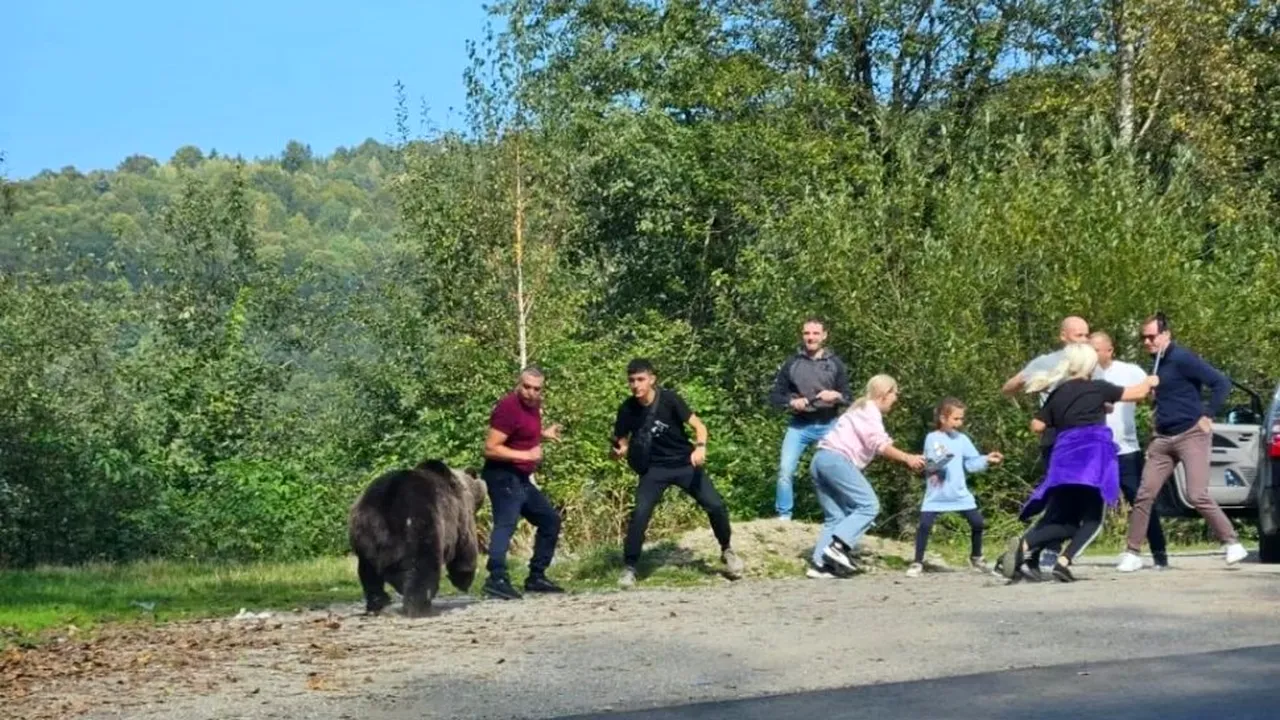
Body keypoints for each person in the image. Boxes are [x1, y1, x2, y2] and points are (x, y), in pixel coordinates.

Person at [999, 342, 1158, 583]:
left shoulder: (1058, 392)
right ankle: (1063, 562)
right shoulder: (1098, 388)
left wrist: (1065, 416)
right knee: (1094, 519)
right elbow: (1136, 393)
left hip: (1063, 460)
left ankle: (1023, 546)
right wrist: (1150, 382)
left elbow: (1037, 426)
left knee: (1067, 521)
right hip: (1091, 462)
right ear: (1091, 364)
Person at [1117, 313, 1248, 572]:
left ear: (1166, 335)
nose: (1147, 342)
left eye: (1151, 336)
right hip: (1163, 438)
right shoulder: (1155, 363)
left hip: (1191, 434)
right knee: (1144, 494)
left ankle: (1231, 542)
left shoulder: (1182, 358)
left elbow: (1221, 383)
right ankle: (1132, 552)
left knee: (1196, 494)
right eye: (1143, 337)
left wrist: (1208, 414)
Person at [611, 358, 745, 587]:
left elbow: (699, 426)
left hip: (684, 463)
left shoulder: (670, 400)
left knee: (715, 505)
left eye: (640, 379)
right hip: (654, 470)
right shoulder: (627, 409)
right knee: (640, 514)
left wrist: (700, 447)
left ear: (652, 379)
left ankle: (727, 550)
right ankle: (630, 567)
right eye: (631, 380)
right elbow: (620, 442)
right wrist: (618, 451)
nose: (635, 385)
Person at [806, 374, 926, 579]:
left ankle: (820, 565)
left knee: (836, 517)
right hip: (836, 460)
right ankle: (837, 547)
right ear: (885, 394)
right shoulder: (869, 412)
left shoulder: (857, 410)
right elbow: (879, 445)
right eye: (895, 394)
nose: (896, 399)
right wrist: (907, 458)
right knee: (869, 505)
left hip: (819, 460)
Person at [999, 315, 1091, 578]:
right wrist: (1041, 384)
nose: (1083, 340)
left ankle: (1033, 555)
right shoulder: (1047, 362)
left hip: (1082, 440)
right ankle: (1025, 552)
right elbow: (1009, 387)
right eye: (1078, 335)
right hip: (1057, 438)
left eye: (1086, 335)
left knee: (1063, 505)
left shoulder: (1089, 363)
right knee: (1067, 505)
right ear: (1063, 336)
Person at [480, 366, 565, 600]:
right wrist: (526, 456)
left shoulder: (534, 406)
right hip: (501, 474)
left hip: (520, 478)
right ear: (519, 384)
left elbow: (521, 434)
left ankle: (536, 577)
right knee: (506, 524)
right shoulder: (508, 407)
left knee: (550, 520)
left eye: (536, 389)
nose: (530, 392)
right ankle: (496, 578)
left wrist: (543, 435)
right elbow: (490, 448)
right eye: (526, 387)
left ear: (541, 390)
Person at [1090, 331, 1169, 569]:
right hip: (1094, 449)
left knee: (1141, 500)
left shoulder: (1130, 371)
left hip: (1125, 449)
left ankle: (1159, 553)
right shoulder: (1084, 374)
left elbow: (1154, 394)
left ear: (1109, 350)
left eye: (1095, 350)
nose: (1091, 355)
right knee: (1080, 499)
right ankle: (1056, 553)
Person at [907, 397, 1003, 578]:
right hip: (937, 493)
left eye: (961, 419)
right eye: (955, 419)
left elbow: (971, 464)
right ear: (943, 419)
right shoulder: (932, 438)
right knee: (925, 525)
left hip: (959, 493)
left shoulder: (962, 439)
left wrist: (986, 460)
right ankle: (917, 562)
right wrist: (942, 460)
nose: (959, 423)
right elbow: (932, 465)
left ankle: (976, 557)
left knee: (977, 522)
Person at [768, 317, 852, 520]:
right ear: (802, 336)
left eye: (815, 333)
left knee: (834, 472)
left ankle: (841, 515)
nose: (811, 338)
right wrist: (791, 402)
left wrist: (837, 396)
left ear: (824, 336)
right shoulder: (792, 363)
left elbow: (850, 397)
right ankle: (784, 517)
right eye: (807, 333)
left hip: (829, 424)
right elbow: (775, 396)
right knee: (785, 471)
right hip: (800, 425)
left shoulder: (835, 364)